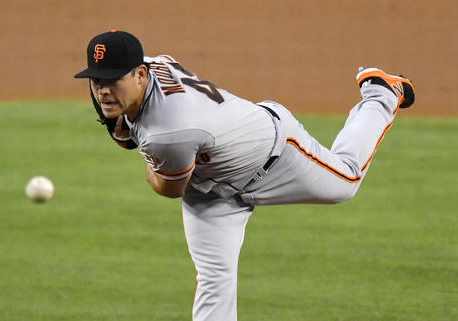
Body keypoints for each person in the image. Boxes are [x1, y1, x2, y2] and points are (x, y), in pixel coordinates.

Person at [74, 29, 415, 321]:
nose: (103, 91)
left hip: (273, 155)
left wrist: (144, 155)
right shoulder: (151, 65)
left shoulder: (170, 131)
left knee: (347, 182)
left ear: (140, 75)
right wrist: (127, 126)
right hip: (211, 193)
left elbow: (167, 187)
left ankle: (380, 93)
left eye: (113, 80)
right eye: (97, 80)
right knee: (214, 280)